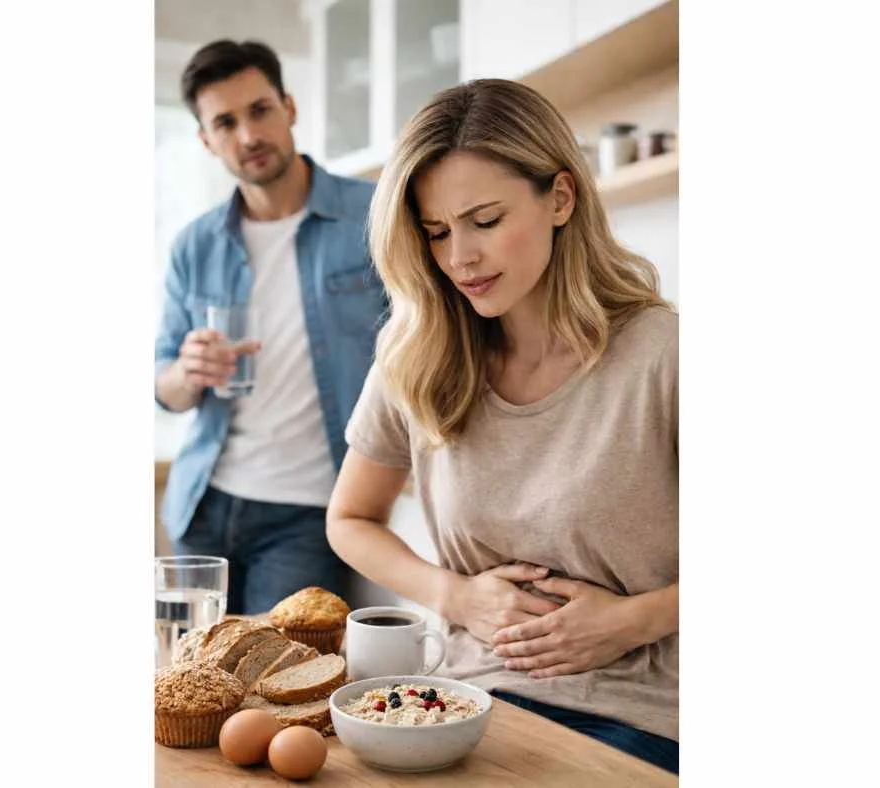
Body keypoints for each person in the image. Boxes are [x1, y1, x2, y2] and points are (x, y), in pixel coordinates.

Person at [325, 79, 678, 774]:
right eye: (435, 232)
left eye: (484, 221)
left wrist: (634, 621)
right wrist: (452, 596)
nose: (459, 258)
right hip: (457, 703)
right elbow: (351, 519)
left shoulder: (664, 355)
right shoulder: (417, 354)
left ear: (560, 199)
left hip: (635, 718)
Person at [155, 40, 385, 614]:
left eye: (259, 111)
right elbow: (161, 386)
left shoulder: (376, 214)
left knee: (278, 691)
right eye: (225, 123)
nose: (248, 136)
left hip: (310, 512)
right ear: (206, 139)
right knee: (186, 687)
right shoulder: (195, 244)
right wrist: (187, 372)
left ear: (289, 107)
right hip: (204, 507)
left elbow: (431, 337)